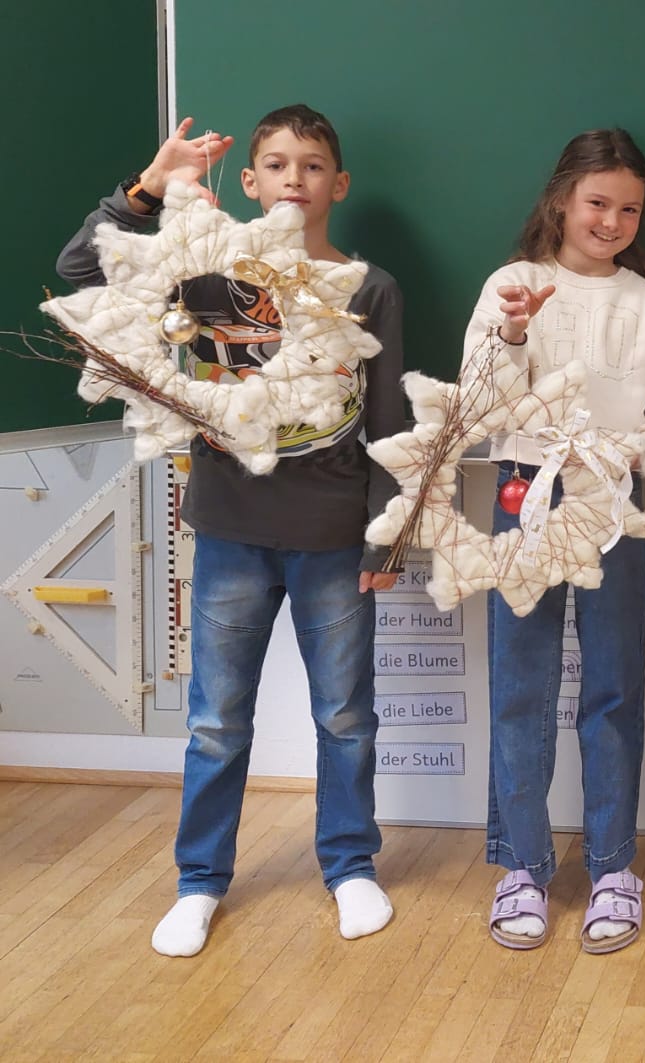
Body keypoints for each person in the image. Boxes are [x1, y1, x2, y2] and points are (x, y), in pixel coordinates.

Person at [57, 104, 406, 957]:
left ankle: (349, 865)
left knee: (346, 716)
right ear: (248, 182)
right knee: (216, 721)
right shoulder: (210, 271)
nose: (295, 179)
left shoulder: (369, 287)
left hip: (332, 532)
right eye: (277, 165)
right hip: (229, 529)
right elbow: (79, 270)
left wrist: (388, 532)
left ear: (339, 184)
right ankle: (200, 881)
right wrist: (149, 184)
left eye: (313, 165)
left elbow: (391, 419)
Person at [464, 128, 645, 954]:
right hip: (527, 486)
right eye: (597, 203)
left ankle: (612, 864)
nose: (611, 221)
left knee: (614, 683)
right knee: (520, 680)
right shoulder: (513, 285)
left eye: (629, 209)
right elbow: (482, 405)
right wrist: (514, 336)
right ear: (562, 200)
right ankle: (522, 864)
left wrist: (628, 452)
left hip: (612, 496)